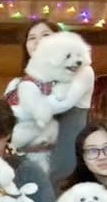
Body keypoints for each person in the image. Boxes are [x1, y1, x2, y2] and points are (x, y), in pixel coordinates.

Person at [7, 19, 90, 178]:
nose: (38, 41)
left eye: (45, 35)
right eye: (31, 38)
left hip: (64, 165)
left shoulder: (80, 74)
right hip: (23, 164)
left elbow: (55, 105)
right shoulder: (16, 84)